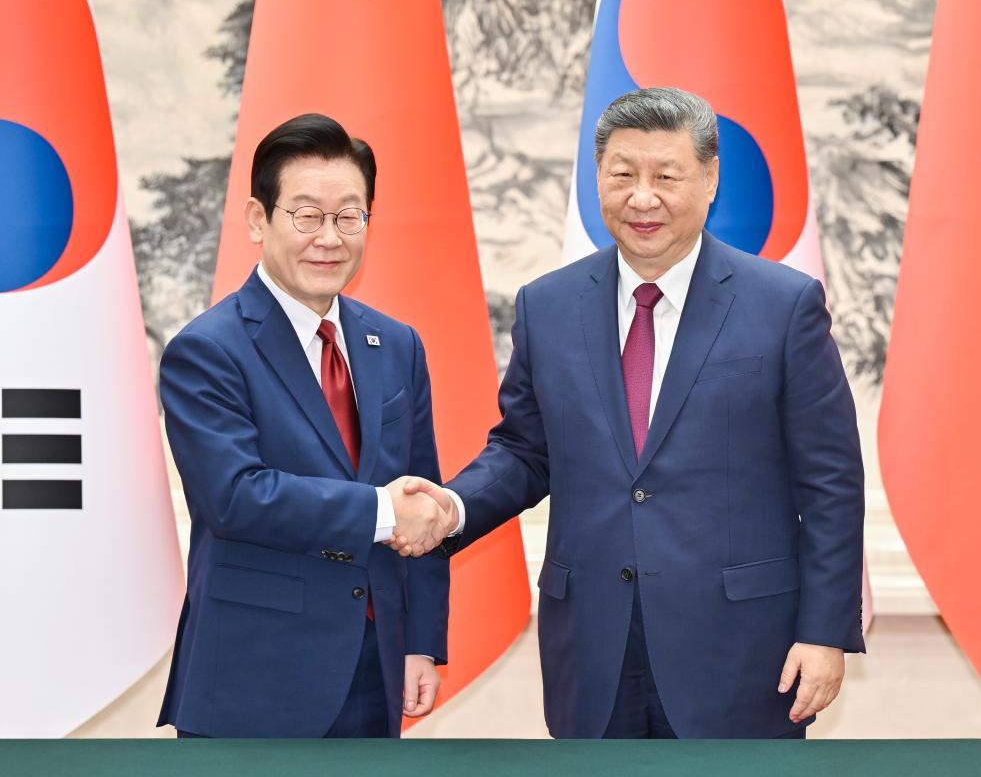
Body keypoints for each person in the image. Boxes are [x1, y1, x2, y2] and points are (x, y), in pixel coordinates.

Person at [394, 88, 866, 739]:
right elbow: (525, 453)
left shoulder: (783, 307)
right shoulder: (548, 306)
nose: (642, 198)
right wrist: (454, 507)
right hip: (594, 650)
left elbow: (832, 483)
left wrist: (824, 633)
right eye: (623, 175)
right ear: (598, 181)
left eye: (666, 176)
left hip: (741, 653)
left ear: (708, 181)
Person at [157, 113, 454, 738]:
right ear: (259, 219)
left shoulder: (396, 344)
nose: (330, 237)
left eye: (349, 215)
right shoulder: (207, 350)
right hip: (253, 678)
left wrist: (420, 643)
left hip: (375, 671)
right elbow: (234, 497)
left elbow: (420, 494)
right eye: (307, 214)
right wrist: (378, 510)